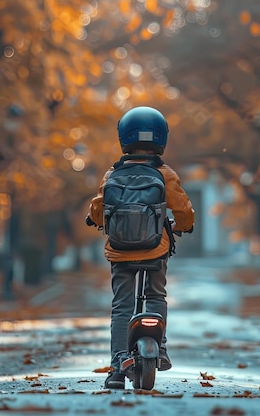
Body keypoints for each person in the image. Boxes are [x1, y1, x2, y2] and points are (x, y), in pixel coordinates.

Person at [85, 106, 195, 389]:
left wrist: (94, 219)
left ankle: (117, 366)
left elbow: (98, 208)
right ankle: (161, 348)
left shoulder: (113, 174)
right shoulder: (164, 173)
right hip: (155, 249)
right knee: (156, 295)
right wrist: (183, 225)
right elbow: (182, 208)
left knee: (121, 306)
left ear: (124, 138)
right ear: (160, 140)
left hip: (120, 251)